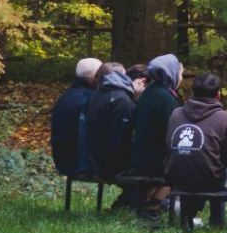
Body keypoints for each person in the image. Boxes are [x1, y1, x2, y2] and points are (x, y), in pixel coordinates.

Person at [160, 73, 227, 231]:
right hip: (208, 178)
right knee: (217, 168)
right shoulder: (225, 118)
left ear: (193, 93)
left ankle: (186, 219)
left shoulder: (176, 113)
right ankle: (217, 222)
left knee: (191, 163)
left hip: (174, 175)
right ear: (218, 95)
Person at [130, 54, 182, 221]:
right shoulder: (165, 98)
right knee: (186, 166)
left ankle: (150, 201)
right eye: (180, 72)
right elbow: (171, 133)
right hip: (155, 160)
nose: (181, 77)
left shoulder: (149, 92)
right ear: (171, 73)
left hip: (141, 155)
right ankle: (153, 204)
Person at [82, 62, 140, 208]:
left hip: (94, 158)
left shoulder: (98, 95)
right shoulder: (121, 99)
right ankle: (132, 202)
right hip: (110, 164)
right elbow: (120, 139)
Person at [48, 57, 101, 177]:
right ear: (94, 75)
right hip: (80, 165)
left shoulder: (66, 96)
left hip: (62, 161)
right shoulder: (88, 99)